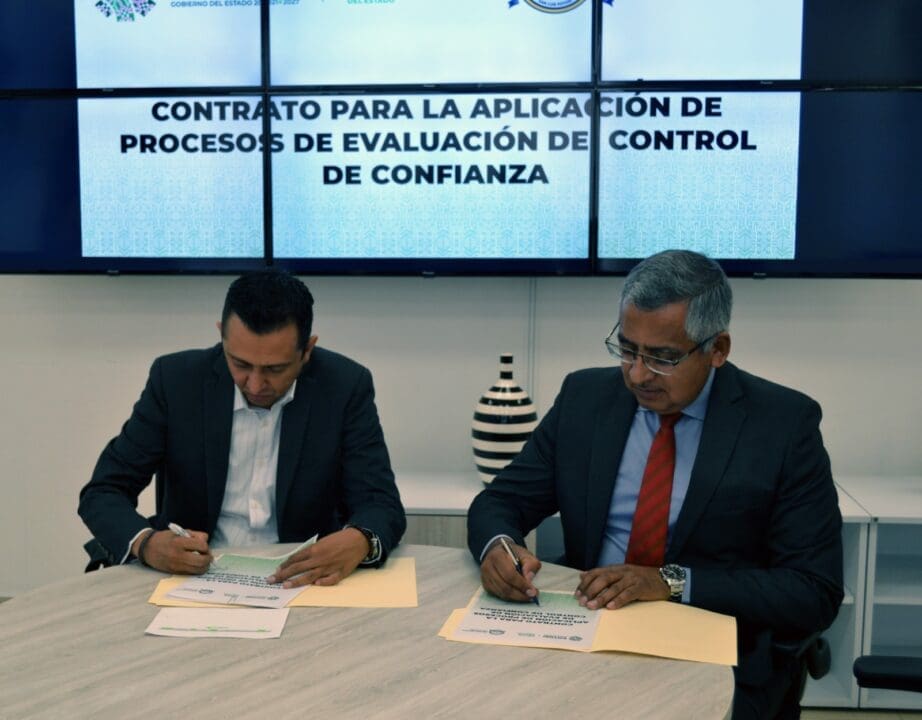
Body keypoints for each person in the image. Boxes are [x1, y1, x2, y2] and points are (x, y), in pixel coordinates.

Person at [467, 249, 843, 719]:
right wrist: (499, 546)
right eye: (627, 349)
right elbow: (501, 501)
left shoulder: (783, 425)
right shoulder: (586, 398)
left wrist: (670, 582)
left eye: (663, 358)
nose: (638, 374)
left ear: (718, 349)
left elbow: (813, 590)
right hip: (587, 629)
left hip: (715, 650)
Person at [79, 269, 405, 587]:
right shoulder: (176, 381)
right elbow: (104, 491)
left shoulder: (344, 387)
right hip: (192, 578)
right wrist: (147, 544)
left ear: (307, 350)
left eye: (275, 369)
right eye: (240, 364)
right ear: (221, 335)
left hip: (300, 579)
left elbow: (381, 503)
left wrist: (360, 540)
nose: (255, 384)